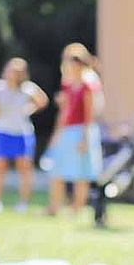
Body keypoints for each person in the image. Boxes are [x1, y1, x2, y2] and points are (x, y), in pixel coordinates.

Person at [42, 45, 103, 217]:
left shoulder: (88, 86)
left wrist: (84, 138)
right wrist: (56, 134)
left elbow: (89, 114)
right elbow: (64, 113)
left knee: (80, 173)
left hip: (82, 131)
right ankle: (54, 207)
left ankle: (77, 208)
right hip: (67, 131)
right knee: (57, 170)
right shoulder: (68, 85)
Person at [0, 57, 49, 214]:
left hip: (22, 133)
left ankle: (23, 203)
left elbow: (43, 100)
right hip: (2, 131)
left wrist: (30, 108)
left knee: (25, 170)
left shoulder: (28, 88)